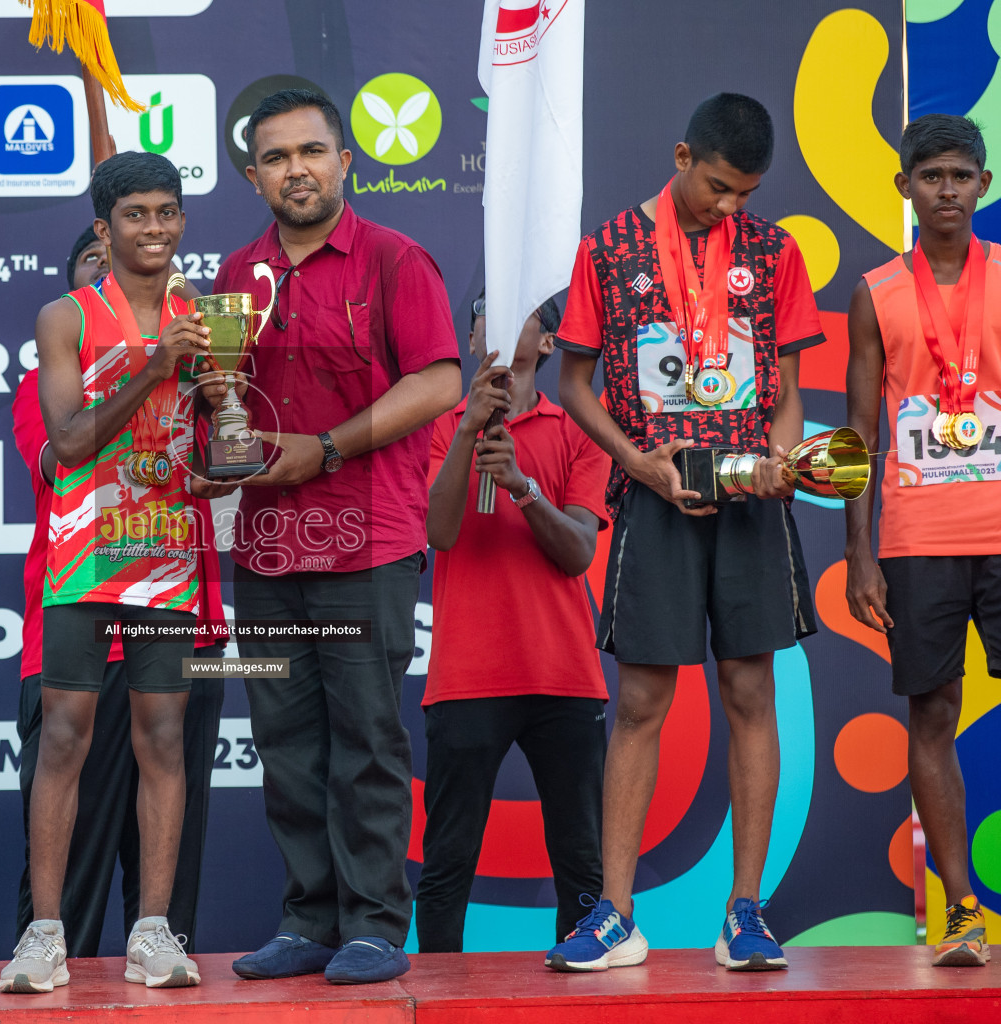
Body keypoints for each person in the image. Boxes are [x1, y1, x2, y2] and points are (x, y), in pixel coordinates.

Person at [546, 93, 823, 973]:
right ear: (680, 155)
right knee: (639, 702)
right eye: (717, 186)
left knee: (750, 694)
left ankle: (746, 913)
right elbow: (575, 386)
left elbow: (784, 390)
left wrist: (778, 464)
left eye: (744, 192)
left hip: (748, 505)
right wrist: (639, 463)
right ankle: (615, 915)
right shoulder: (610, 247)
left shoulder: (775, 252)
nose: (730, 206)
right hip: (655, 497)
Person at [213, 88, 460, 985]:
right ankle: (307, 920)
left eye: (312, 153)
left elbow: (436, 382)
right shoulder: (238, 276)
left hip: (368, 544)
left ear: (345, 161)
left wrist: (322, 449)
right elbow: (229, 408)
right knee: (285, 741)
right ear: (254, 177)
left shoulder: (395, 260)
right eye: (276, 159)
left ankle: (373, 926)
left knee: (365, 740)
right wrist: (218, 423)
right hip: (267, 549)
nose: (297, 171)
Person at [1, 152, 217, 994]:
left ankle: (153, 935)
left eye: (167, 212)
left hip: (166, 555)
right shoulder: (65, 316)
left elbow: (213, 416)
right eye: (136, 215)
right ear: (105, 227)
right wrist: (156, 363)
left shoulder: (203, 311)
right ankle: (44, 938)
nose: (154, 228)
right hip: (85, 556)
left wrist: (217, 443)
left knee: (164, 739)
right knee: (65, 740)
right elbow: (73, 440)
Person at [845, 113, 1000, 968]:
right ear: (904, 186)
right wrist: (859, 553)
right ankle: (963, 913)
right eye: (930, 174)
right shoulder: (876, 291)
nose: (947, 189)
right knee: (932, 714)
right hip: (916, 541)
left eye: (961, 175)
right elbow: (858, 436)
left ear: (983, 185)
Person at [415, 295, 611, 951]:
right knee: (446, 862)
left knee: (583, 862)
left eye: (516, 311)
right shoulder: (445, 428)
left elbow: (579, 551)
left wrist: (525, 490)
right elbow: (439, 534)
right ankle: (438, 999)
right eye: (482, 314)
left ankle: (581, 986)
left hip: (564, 676)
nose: (494, 322)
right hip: (468, 677)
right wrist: (469, 430)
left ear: (549, 343)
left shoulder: (580, 431)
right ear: (473, 342)